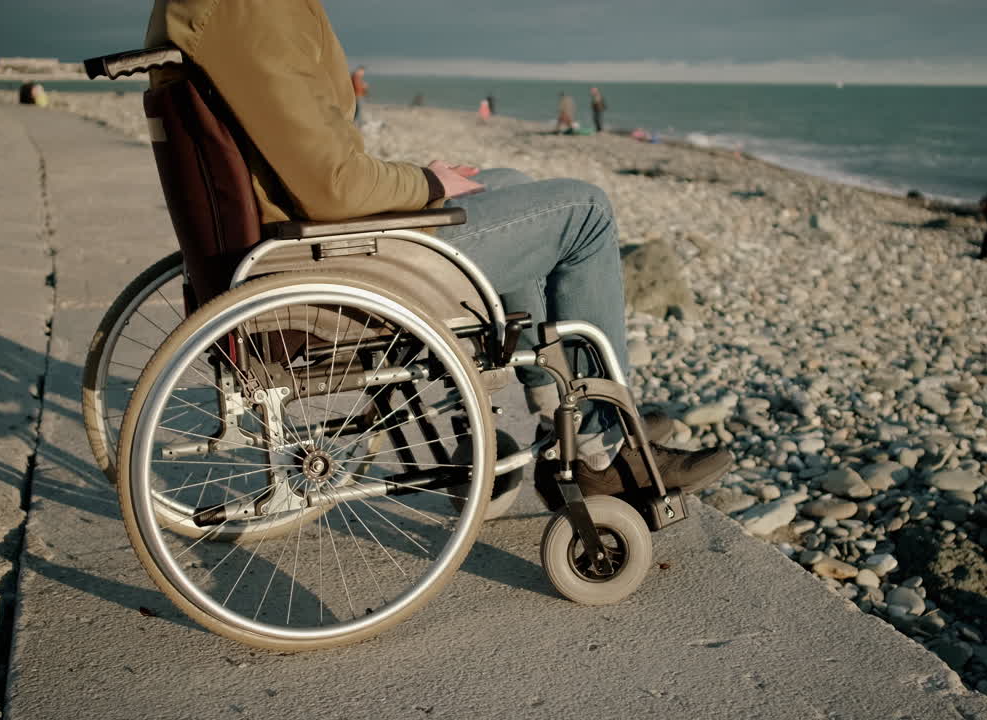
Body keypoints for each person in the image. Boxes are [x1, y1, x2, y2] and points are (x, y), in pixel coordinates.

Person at [145, 0, 732, 506]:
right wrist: (427, 184)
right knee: (584, 211)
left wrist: (426, 179)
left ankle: (566, 422)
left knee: (508, 181)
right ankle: (605, 451)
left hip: (305, 236)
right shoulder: (253, 11)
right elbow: (331, 185)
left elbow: (311, 165)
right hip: (329, 258)